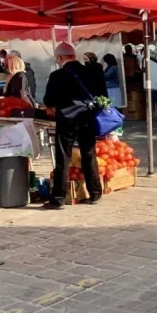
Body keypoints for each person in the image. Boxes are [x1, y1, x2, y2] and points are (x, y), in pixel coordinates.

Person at [43, 43, 107, 209]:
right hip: (88, 117)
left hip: (67, 119)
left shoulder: (57, 75)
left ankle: (58, 199)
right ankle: (95, 193)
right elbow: (103, 96)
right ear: (74, 55)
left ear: (59, 58)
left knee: (63, 158)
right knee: (89, 154)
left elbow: (48, 101)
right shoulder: (93, 72)